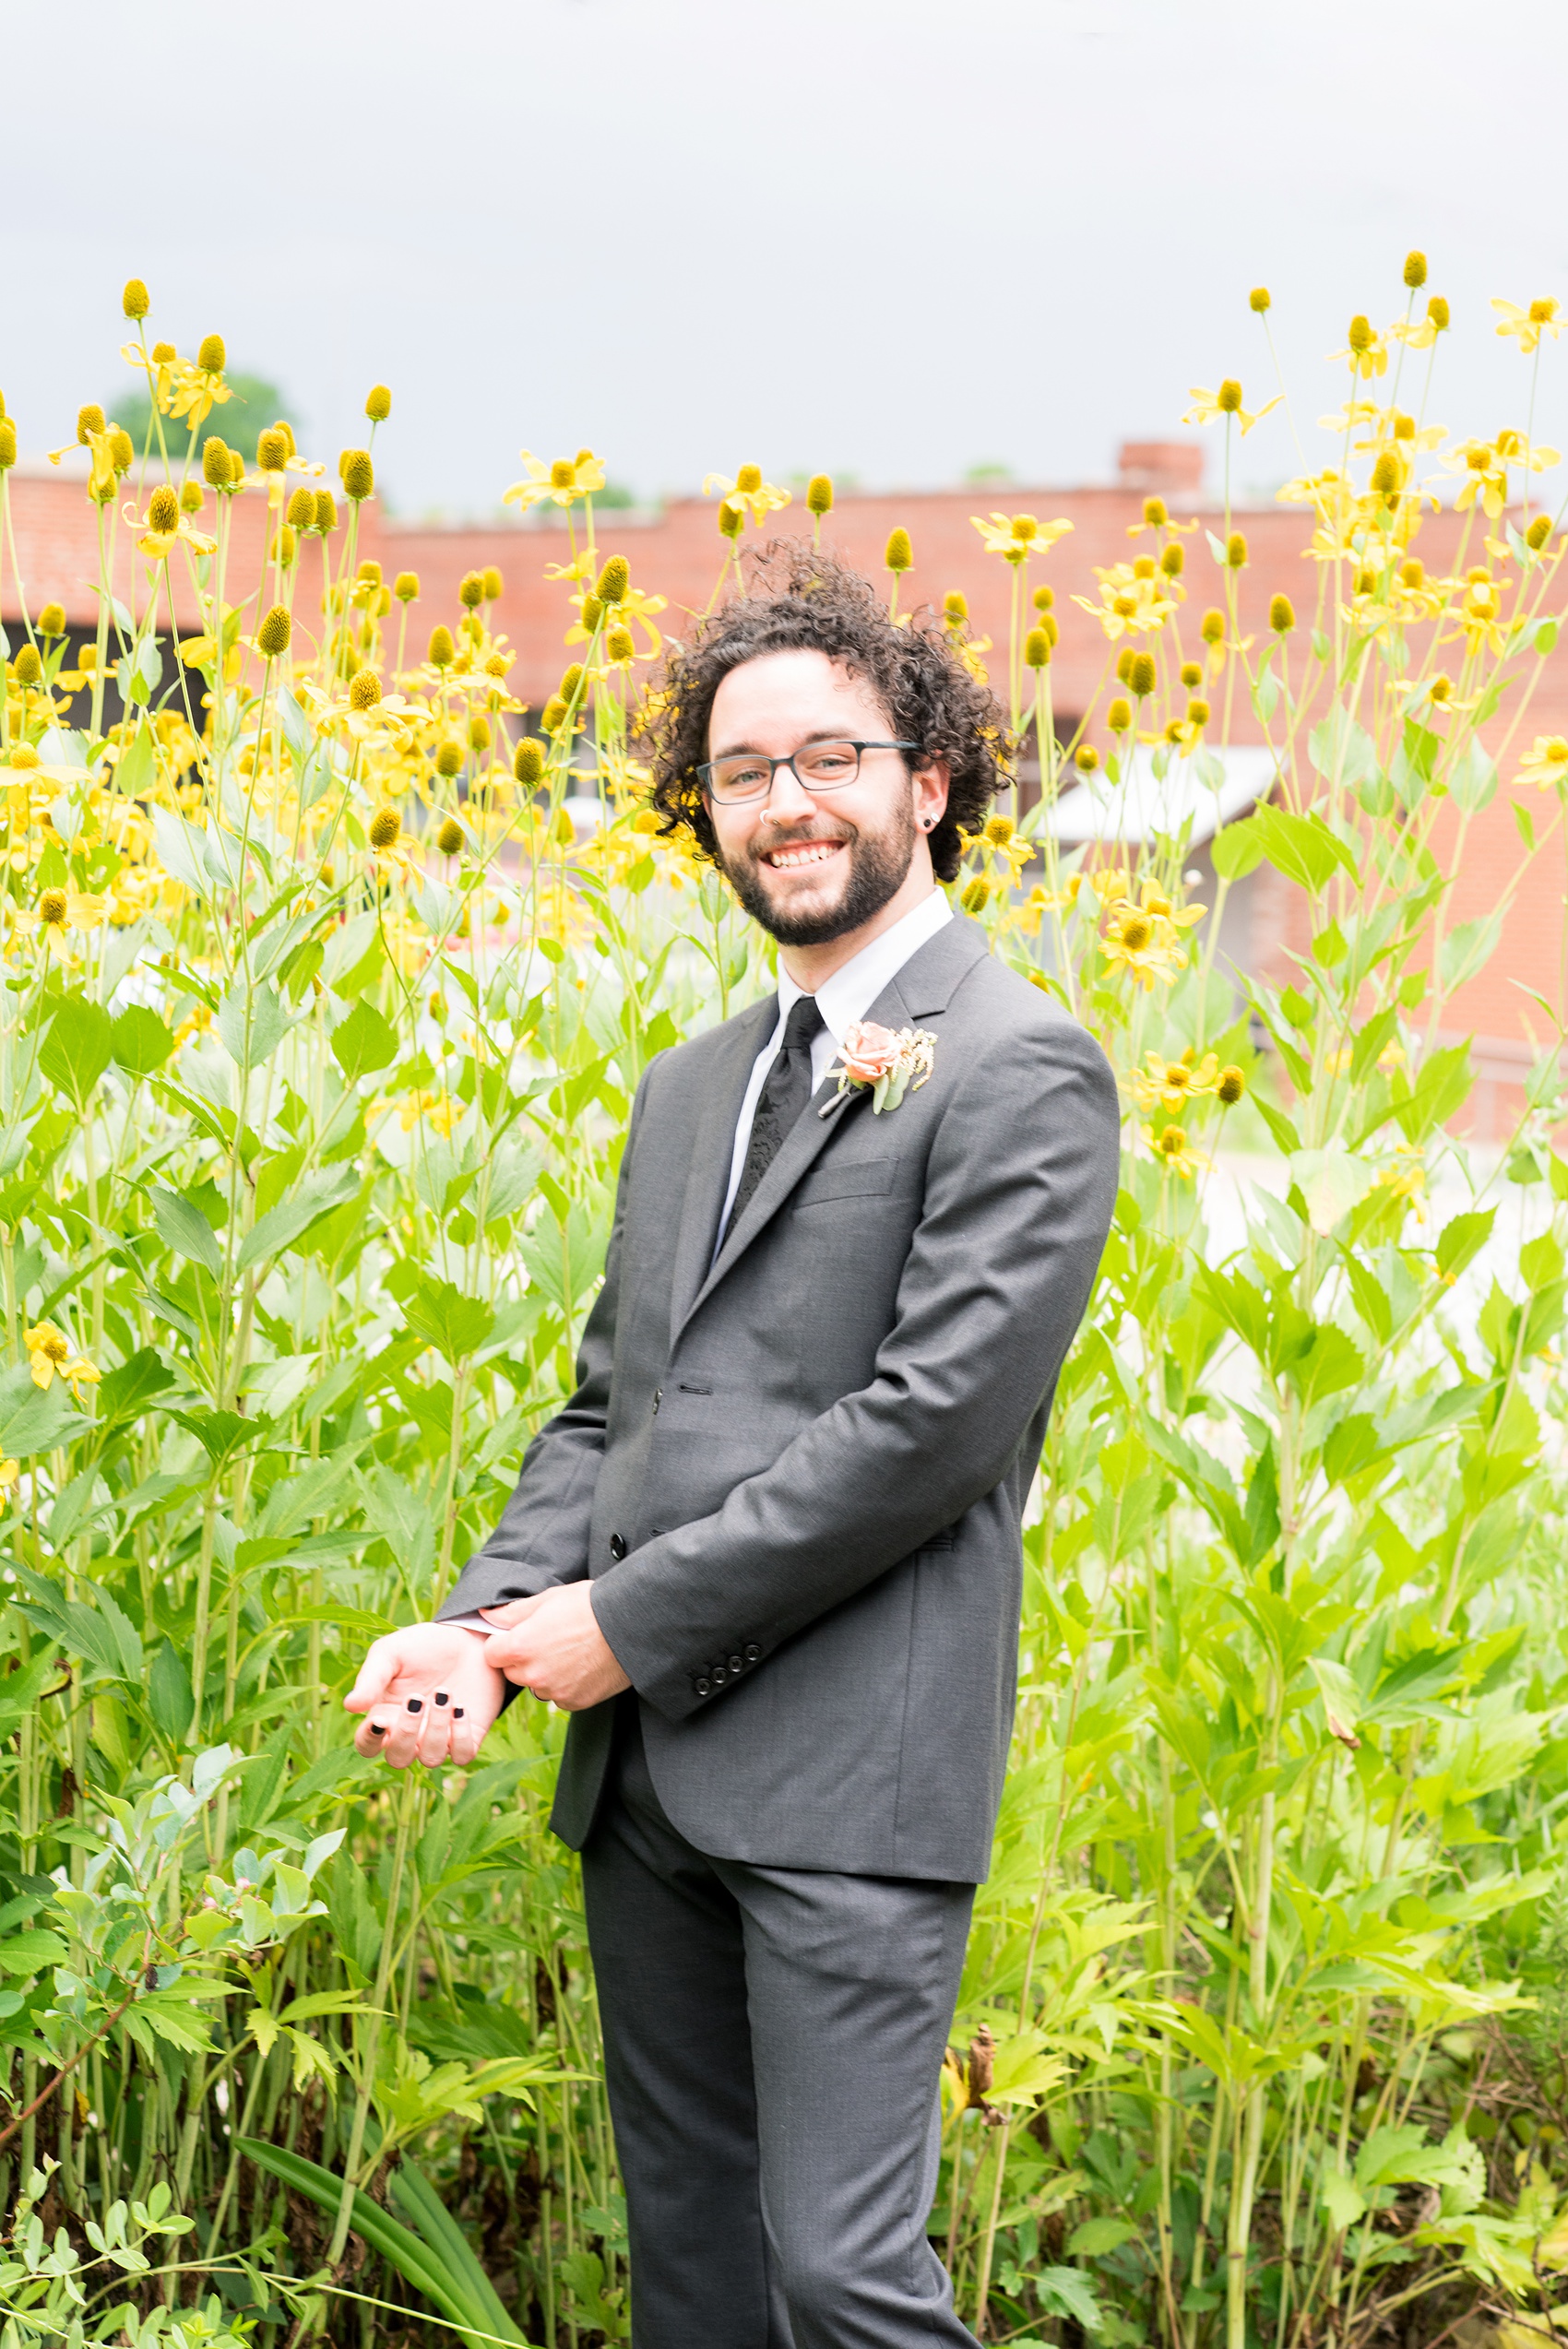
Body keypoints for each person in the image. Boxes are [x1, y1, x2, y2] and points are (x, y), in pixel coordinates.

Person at [346, 544, 1121, 2348]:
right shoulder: (697, 1081)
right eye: (742, 768)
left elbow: (925, 1433)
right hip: (648, 1786)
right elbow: (613, 1403)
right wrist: (481, 1627)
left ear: (928, 781)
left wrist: (627, 1620)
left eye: (830, 756)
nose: (784, 801)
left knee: (839, 2276)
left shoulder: (1018, 1063)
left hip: (852, 1780)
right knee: (693, 2275)